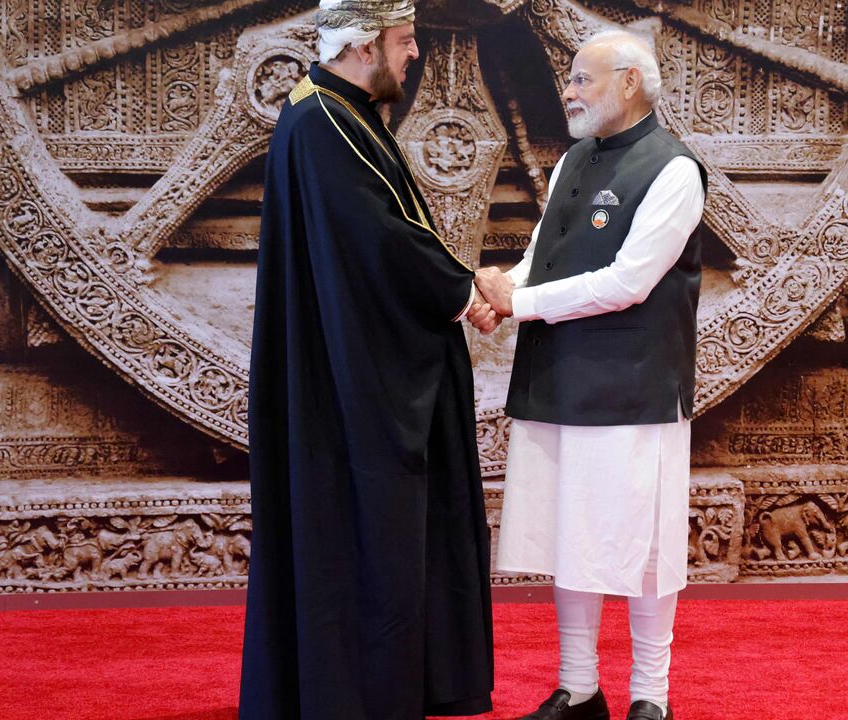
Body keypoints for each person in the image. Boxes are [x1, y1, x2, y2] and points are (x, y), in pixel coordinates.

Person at [239, 1, 500, 718]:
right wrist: (463, 290)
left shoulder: (331, 111)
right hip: (352, 377)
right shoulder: (324, 119)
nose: (413, 55)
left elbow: (385, 232)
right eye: (405, 41)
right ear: (362, 45)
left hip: (345, 356)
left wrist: (455, 284)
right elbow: (380, 239)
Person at [474, 29, 707, 720]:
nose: (569, 92)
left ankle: (651, 697)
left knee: (642, 544)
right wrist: (500, 295)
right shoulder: (576, 158)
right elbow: (543, 256)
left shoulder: (674, 171)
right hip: (559, 376)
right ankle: (579, 688)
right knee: (570, 535)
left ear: (630, 83)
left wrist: (520, 304)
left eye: (582, 80)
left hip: (633, 387)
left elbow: (629, 283)